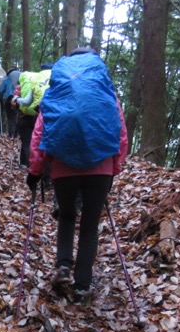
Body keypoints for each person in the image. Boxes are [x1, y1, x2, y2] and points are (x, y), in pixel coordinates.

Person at [25, 47, 128, 302]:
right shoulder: (106, 92)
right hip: (101, 168)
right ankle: (83, 285)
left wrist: (35, 170)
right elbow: (120, 132)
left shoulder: (57, 90)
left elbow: (40, 132)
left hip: (63, 166)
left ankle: (63, 266)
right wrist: (114, 166)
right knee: (90, 225)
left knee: (67, 216)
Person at [11, 64, 52, 166]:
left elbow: (26, 101)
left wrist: (17, 100)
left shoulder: (34, 82)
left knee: (28, 142)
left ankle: (32, 166)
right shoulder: (55, 79)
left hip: (32, 115)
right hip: (45, 116)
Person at [3, 67, 21, 138]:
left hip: (9, 97)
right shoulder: (22, 74)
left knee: (10, 117)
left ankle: (11, 134)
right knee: (18, 115)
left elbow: (1, 88)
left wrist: (1, 95)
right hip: (19, 97)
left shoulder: (8, 76)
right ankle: (17, 134)